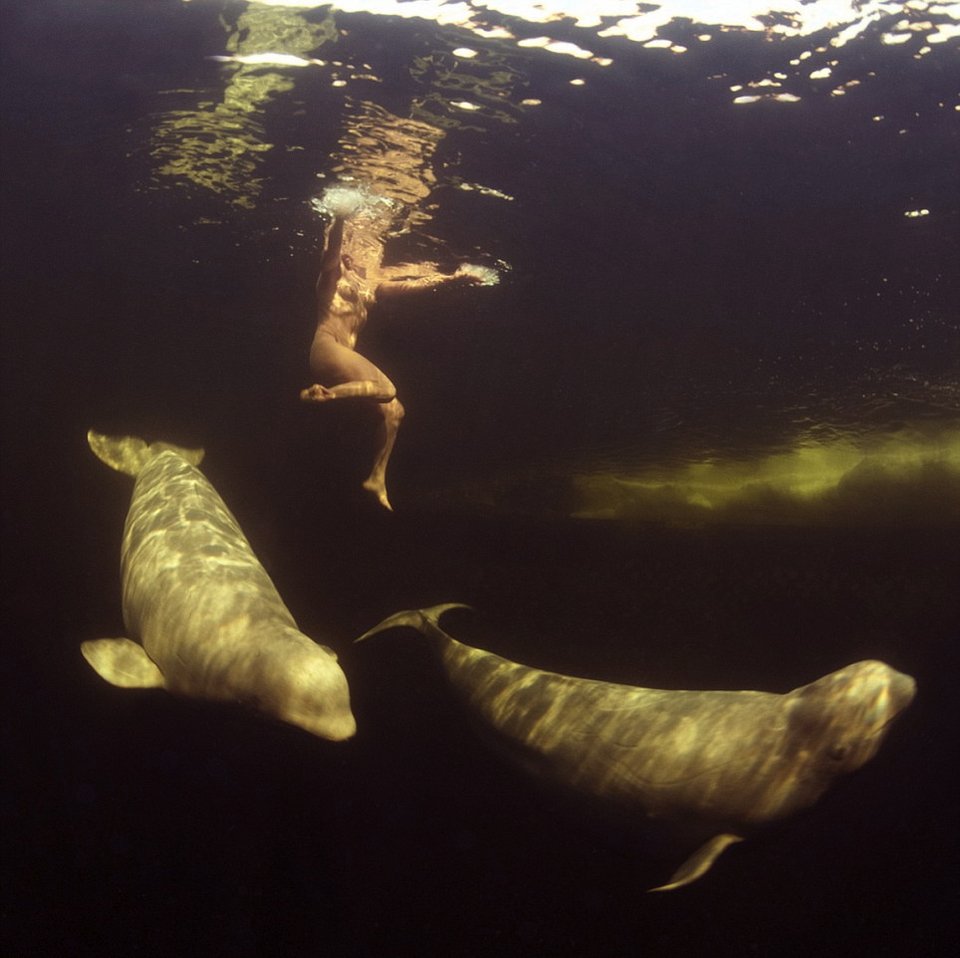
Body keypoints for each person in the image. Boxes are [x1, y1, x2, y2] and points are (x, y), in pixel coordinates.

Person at [301, 205, 494, 510]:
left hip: (344, 355)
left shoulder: (372, 287)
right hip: (326, 349)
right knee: (388, 390)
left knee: (395, 411)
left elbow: (412, 286)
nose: (365, 257)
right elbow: (328, 260)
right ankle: (325, 395)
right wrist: (339, 219)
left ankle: (377, 477)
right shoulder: (331, 281)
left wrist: (455, 279)